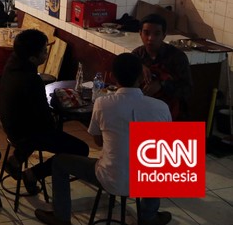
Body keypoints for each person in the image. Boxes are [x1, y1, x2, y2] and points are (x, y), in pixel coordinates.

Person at [34, 53, 172, 225]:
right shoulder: (161, 107)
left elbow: (98, 142)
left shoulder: (103, 104)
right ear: (142, 77)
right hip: (147, 181)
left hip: (110, 179)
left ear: (113, 77)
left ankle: (61, 218)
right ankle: (149, 216)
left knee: (59, 162)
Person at [0, 30, 89, 196]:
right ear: (32, 58)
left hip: (10, 123)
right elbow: (44, 122)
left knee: (38, 129)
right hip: (24, 133)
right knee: (81, 149)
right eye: (44, 51)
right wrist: (57, 110)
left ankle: (15, 160)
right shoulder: (31, 80)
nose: (47, 54)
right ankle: (33, 174)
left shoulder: (13, 63)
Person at [132, 14, 192, 120]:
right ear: (140, 33)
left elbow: (187, 90)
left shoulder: (177, 57)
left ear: (164, 35)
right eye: (146, 33)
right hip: (143, 114)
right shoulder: (136, 55)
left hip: (173, 117)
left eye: (157, 34)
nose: (150, 38)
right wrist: (139, 66)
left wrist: (162, 85)